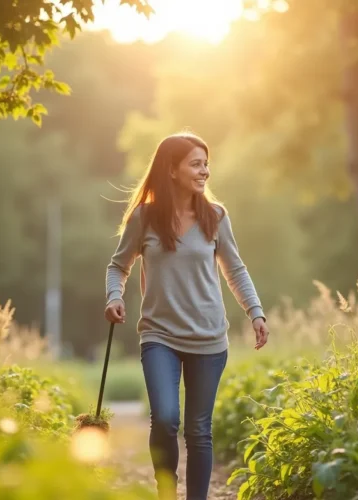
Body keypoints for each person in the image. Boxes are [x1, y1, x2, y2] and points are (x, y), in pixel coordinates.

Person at [104, 132, 269, 499]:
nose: (205, 171)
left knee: (199, 430)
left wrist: (254, 312)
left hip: (209, 338)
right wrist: (114, 296)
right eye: (196, 164)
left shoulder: (215, 216)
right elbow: (118, 266)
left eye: (206, 164)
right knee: (164, 419)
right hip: (159, 334)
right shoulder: (144, 218)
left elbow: (235, 270)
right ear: (172, 170)